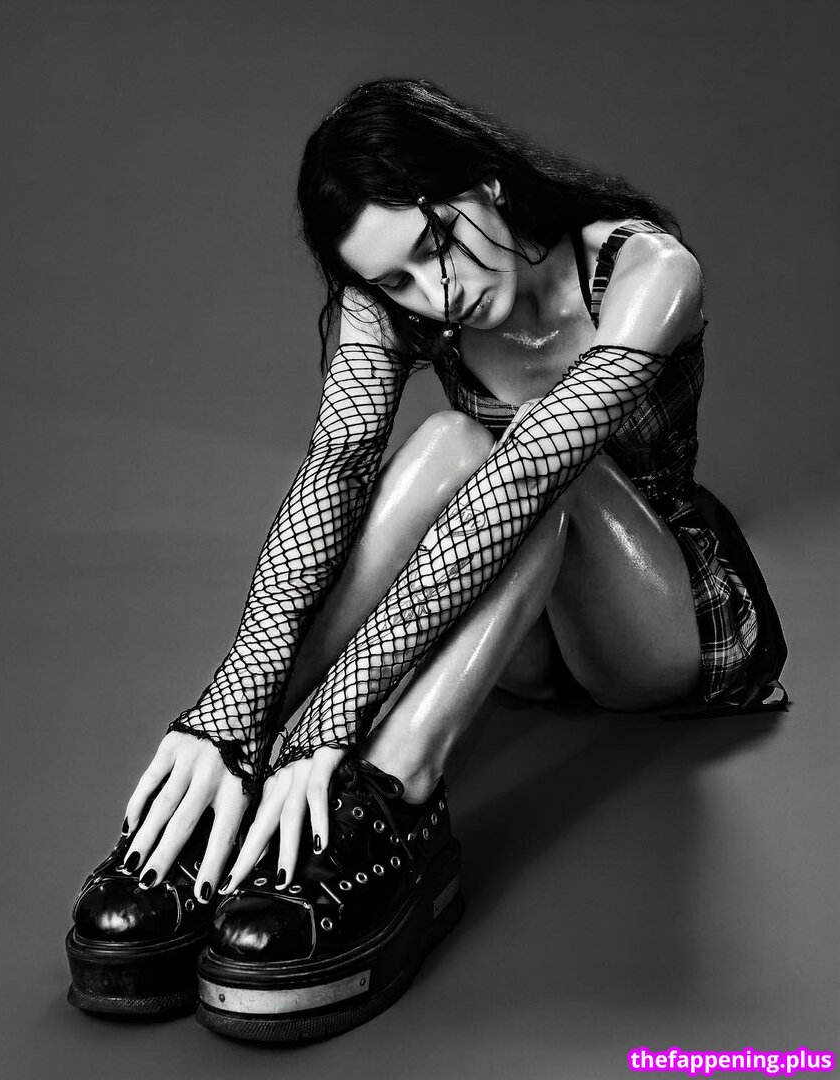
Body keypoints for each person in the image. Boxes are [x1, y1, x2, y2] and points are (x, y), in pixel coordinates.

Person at [66, 78, 788, 1039]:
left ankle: (391, 789)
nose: (436, 293)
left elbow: (533, 468)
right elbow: (339, 464)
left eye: (436, 243)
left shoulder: (642, 267)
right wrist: (234, 704)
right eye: (398, 281)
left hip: (657, 618)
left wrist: (336, 718)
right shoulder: (395, 295)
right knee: (450, 440)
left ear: (486, 185)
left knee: (537, 455)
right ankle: (239, 763)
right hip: (518, 621)